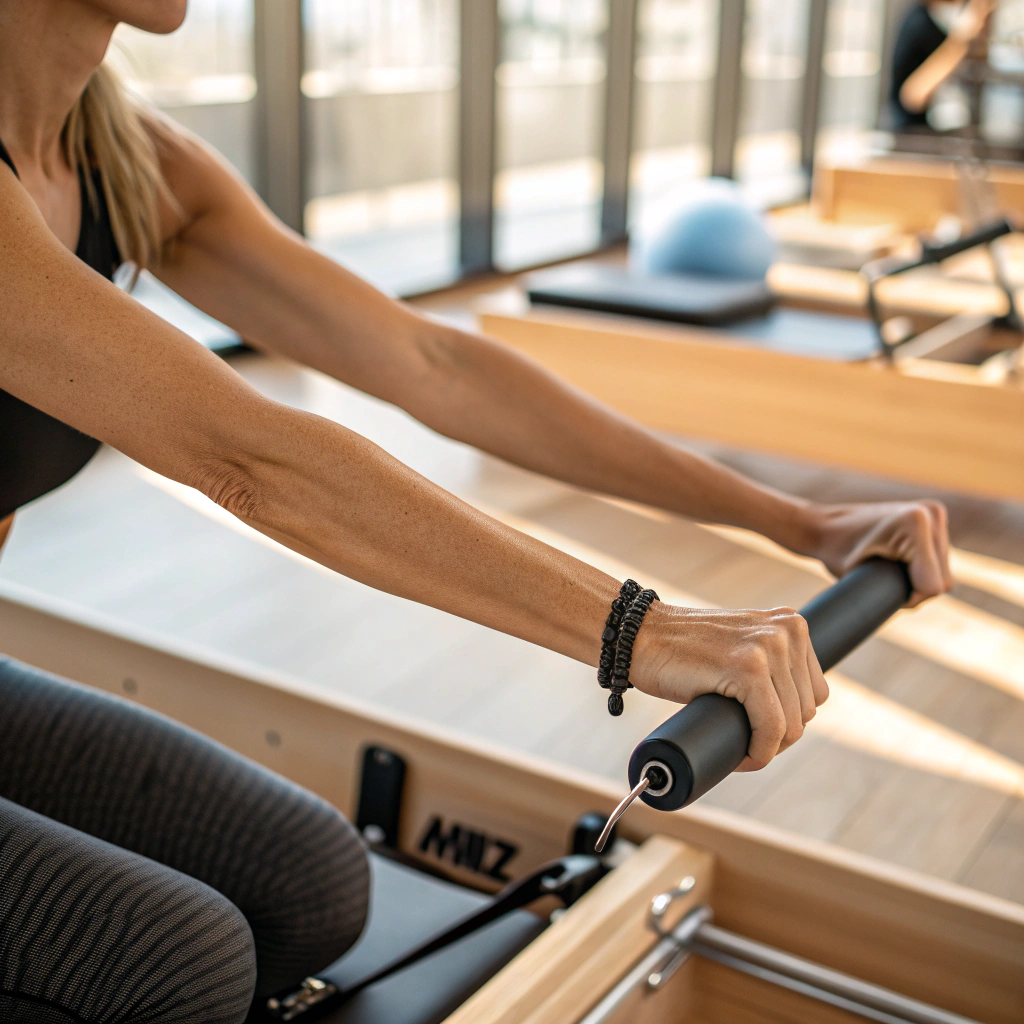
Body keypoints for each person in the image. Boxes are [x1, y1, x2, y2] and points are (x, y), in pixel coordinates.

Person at [0, 1, 952, 1019]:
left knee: (310, 886)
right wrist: (642, 630)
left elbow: (434, 363)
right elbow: (250, 461)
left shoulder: (118, 156)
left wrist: (797, 521)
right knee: (174, 966)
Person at [890, 0, 997, 130]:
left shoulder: (943, 22)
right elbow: (913, 97)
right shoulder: (920, 23)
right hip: (913, 132)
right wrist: (960, 42)